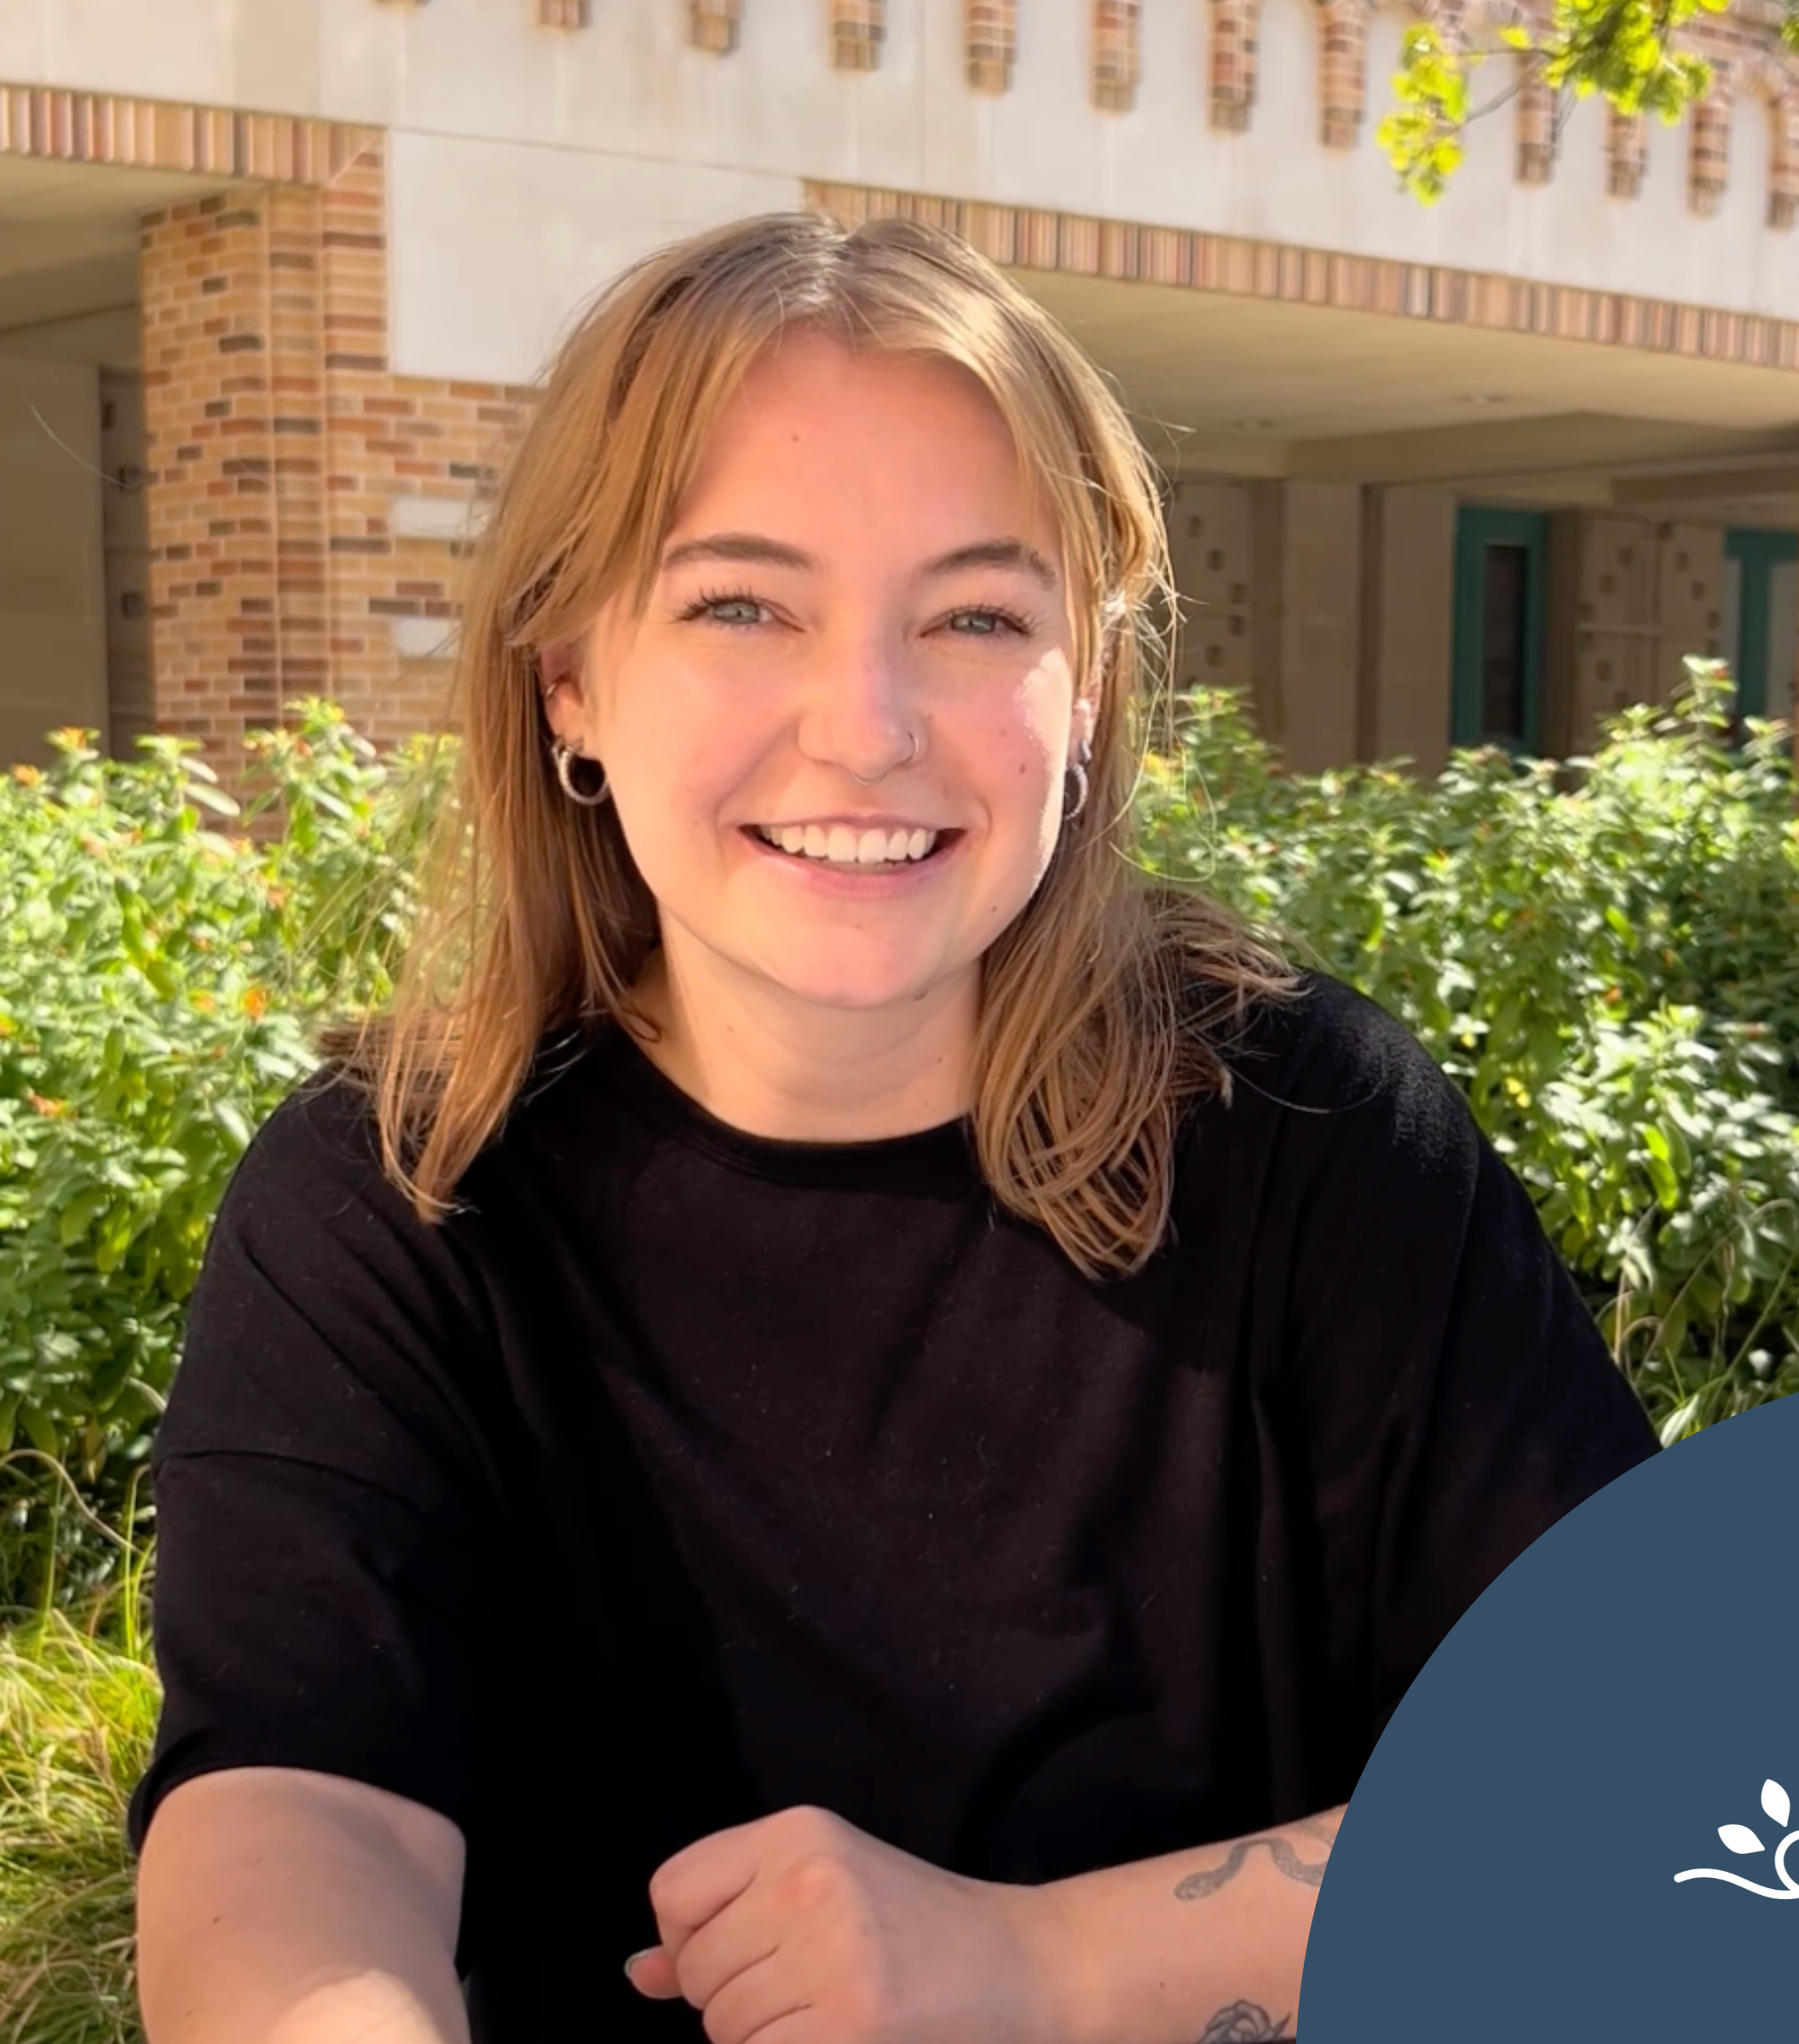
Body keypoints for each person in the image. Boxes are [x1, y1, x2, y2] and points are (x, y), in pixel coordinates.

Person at [125, 211, 1658, 2044]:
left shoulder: (1306, 1131)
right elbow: (299, 1816)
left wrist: (1038, 1966)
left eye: (976, 618)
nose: (865, 729)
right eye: (741, 605)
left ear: (1086, 694)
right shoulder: (396, 1190)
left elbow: (1641, 1772)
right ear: (569, 680)